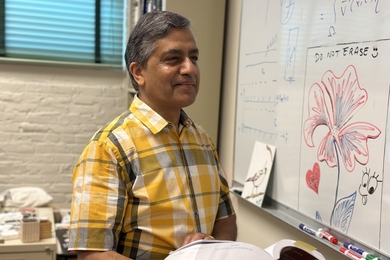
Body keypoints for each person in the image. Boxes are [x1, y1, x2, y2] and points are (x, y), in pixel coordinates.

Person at [68, 11, 237, 260]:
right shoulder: (109, 147)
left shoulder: (201, 140)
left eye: (194, 57)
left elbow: (226, 220)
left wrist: (209, 247)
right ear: (138, 73)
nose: (190, 68)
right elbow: (93, 254)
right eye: (173, 58)